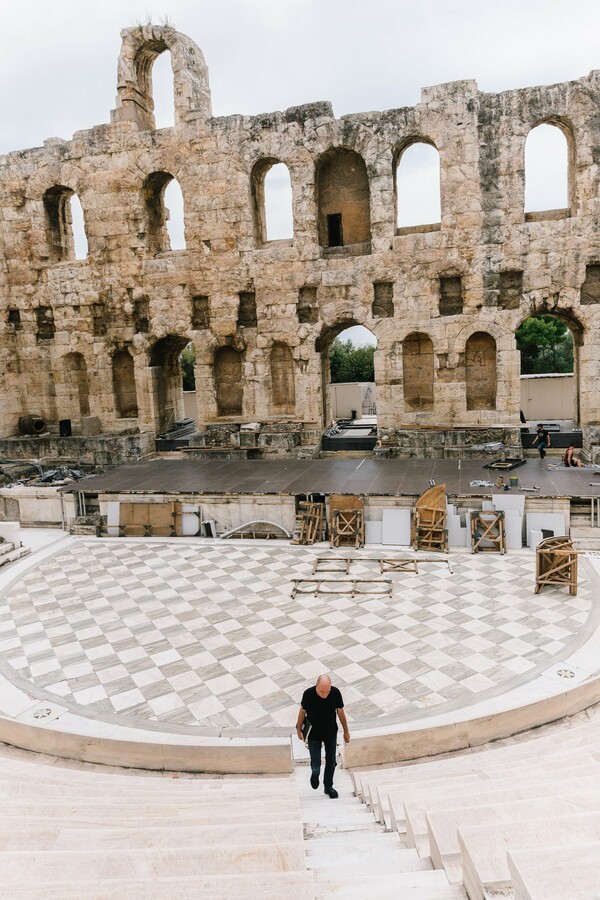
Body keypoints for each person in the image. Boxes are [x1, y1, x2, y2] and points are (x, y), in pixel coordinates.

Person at [296, 674, 350, 799]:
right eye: (322, 692)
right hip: (314, 734)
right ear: (316, 686)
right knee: (316, 763)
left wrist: (346, 731)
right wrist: (299, 728)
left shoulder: (335, 692)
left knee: (331, 761)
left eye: (327, 691)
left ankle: (328, 786)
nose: (325, 695)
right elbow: (302, 712)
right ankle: (315, 774)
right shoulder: (308, 694)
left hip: (330, 732)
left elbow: (341, 712)